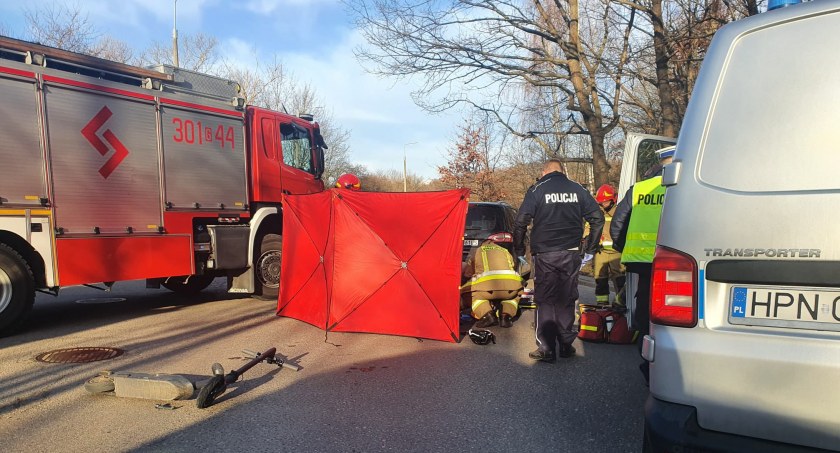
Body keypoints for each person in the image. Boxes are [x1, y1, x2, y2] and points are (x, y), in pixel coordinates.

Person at [513, 159, 604, 363]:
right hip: (571, 253)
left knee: (545, 299)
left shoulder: (537, 189)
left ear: (544, 171)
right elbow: (597, 218)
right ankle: (565, 343)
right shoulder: (577, 189)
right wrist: (590, 248)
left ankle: (546, 348)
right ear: (562, 171)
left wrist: (519, 250)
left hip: (545, 253)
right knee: (567, 297)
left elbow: (520, 222)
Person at [610, 146, 675, 380]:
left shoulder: (639, 188)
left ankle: (646, 352)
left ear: (658, 165)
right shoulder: (683, 186)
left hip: (641, 261)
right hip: (675, 260)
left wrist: (622, 248)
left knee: (646, 305)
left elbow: (617, 223)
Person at [460, 239, 524, 328]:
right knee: (514, 295)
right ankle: (506, 316)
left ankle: (486, 314)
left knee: (467, 292)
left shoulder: (478, 251)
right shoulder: (504, 250)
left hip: (487, 286)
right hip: (512, 284)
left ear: (482, 244)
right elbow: (512, 265)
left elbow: (468, 273)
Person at [592, 184, 625, 306]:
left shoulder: (619, 212)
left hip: (616, 252)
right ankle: (602, 304)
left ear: (613, 200)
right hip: (600, 251)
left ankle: (620, 303)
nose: (603, 205)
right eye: (601, 202)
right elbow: (589, 226)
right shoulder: (597, 212)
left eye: (605, 202)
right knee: (600, 278)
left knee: (620, 279)